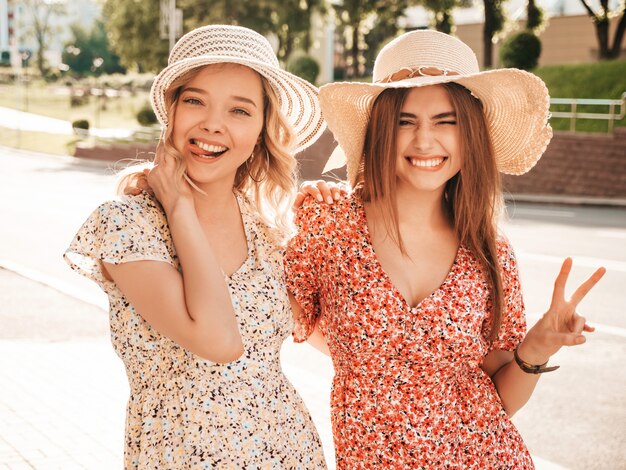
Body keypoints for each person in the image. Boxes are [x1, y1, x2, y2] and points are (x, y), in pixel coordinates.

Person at [284, 30, 605, 469]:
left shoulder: (489, 251)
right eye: (406, 121)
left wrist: (537, 350)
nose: (425, 141)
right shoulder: (330, 223)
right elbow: (273, 316)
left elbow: (499, 401)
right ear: (381, 130)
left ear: (469, 133)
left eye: (445, 121)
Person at [64, 24, 328, 468]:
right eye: (195, 101)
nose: (212, 123)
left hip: (288, 451)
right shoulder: (127, 226)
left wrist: (342, 225)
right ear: (171, 111)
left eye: (240, 111)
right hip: (179, 456)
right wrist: (179, 208)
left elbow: (343, 336)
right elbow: (219, 341)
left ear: (263, 128)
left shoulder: (268, 233)